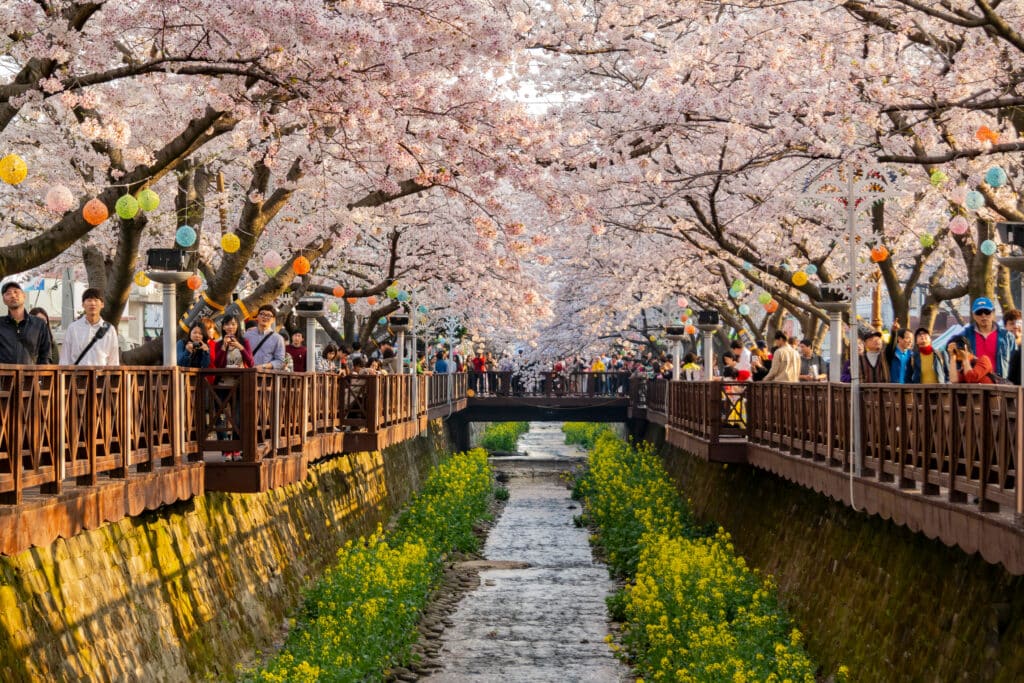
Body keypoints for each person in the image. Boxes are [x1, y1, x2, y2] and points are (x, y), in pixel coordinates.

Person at [210, 315, 254, 461]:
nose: (230, 327)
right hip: (221, 385)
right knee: (220, 416)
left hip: (239, 385)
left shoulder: (244, 342)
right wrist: (223, 347)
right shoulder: (218, 344)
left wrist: (240, 347)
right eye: (227, 324)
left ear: (237, 326)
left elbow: (250, 362)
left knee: (238, 417)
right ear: (223, 327)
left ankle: (236, 448)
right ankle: (225, 450)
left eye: (233, 324)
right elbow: (218, 364)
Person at [60, 288, 119, 366]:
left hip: (101, 376)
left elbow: (114, 361)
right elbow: (65, 359)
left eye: (96, 300)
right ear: (83, 304)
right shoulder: (73, 328)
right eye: (89, 300)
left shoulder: (110, 330)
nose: (93, 303)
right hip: (77, 376)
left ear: (102, 304)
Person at [964, 297, 1016, 380]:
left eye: (987, 312)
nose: (983, 315)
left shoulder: (1007, 337)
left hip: (1002, 387)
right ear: (973, 315)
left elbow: (1016, 364)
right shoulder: (965, 336)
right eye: (979, 312)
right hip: (975, 386)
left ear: (993, 313)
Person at [0, 282, 52, 364]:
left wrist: (42, 375)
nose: (13, 295)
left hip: (31, 375)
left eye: (16, 292)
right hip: (4, 376)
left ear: (24, 296)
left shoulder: (39, 324)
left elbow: (45, 355)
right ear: (4, 300)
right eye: (8, 293)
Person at [243, 305, 286, 370]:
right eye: (262, 314)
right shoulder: (247, 335)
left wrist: (263, 366)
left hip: (266, 376)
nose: (265, 317)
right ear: (257, 317)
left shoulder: (278, 339)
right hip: (247, 374)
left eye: (269, 315)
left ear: (273, 319)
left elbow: (280, 361)